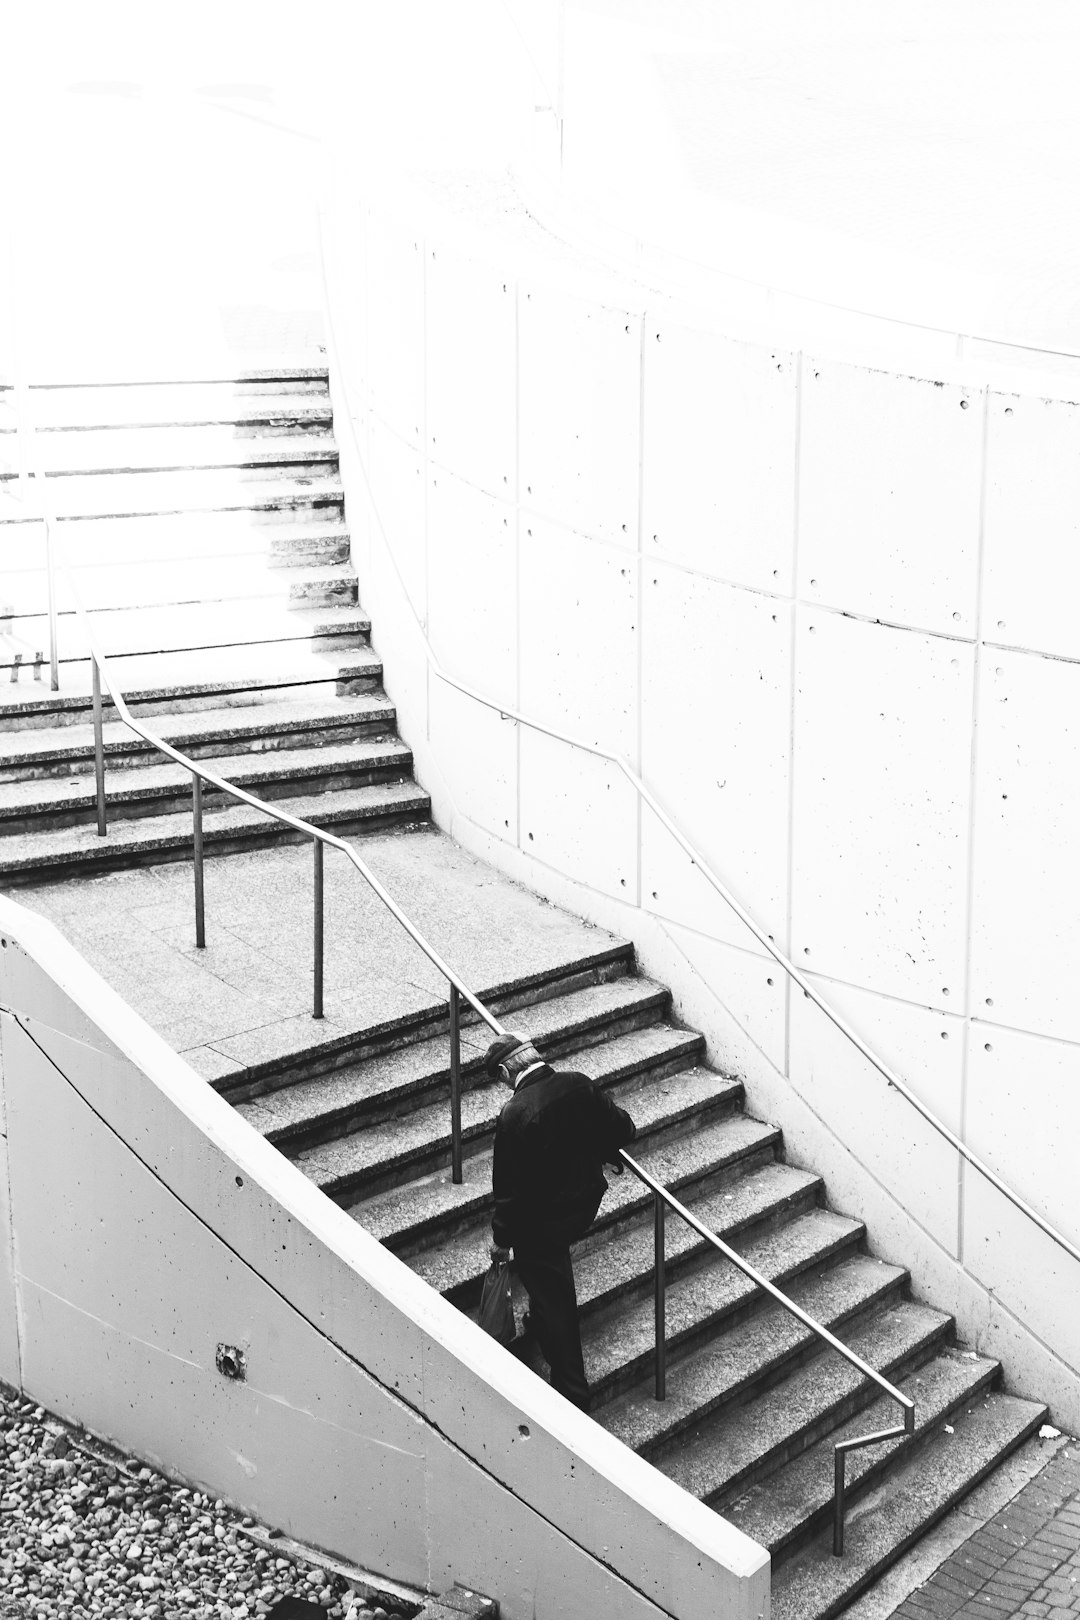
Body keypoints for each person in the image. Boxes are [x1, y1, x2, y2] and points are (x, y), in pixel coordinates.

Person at [485, 1031, 637, 1412]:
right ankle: (539, 1318)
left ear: (506, 1070)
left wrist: (501, 1240)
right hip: (584, 1203)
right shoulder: (579, 1085)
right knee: (548, 1281)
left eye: (499, 1079)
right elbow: (624, 1129)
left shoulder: (514, 1114)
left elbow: (509, 1190)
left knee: (554, 1294)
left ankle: (572, 1391)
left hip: (542, 1223)